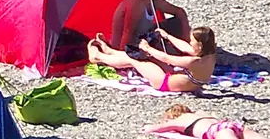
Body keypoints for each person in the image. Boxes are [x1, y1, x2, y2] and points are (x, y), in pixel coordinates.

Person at [88, 26, 218, 94]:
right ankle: (110, 51)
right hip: (174, 77)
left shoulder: (195, 62)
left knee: (135, 60)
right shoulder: (209, 55)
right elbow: (186, 48)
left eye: (192, 41)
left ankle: (98, 57)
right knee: (141, 58)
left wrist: (148, 48)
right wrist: (167, 36)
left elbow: (167, 58)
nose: (190, 43)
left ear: (200, 45)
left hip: (163, 82)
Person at [108, 0, 190, 52]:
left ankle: (186, 47)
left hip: (145, 36)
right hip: (133, 43)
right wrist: (122, 55)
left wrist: (187, 39)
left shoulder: (154, 0)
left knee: (177, 22)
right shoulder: (136, 3)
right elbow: (127, 32)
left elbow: (179, 11)